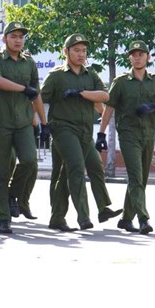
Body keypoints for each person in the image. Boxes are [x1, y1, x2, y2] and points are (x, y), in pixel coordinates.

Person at [41, 34, 121, 231]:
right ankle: (83, 216)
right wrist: (41, 125)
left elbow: (104, 95)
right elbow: (39, 99)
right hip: (63, 129)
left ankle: (99, 209)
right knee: (76, 167)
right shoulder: (56, 75)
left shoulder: (90, 75)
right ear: (66, 51)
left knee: (94, 166)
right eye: (76, 50)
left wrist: (81, 93)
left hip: (85, 131)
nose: (81, 54)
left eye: (84, 50)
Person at [98, 41, 155, 235]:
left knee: (141, 179)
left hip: (149, 134)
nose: (138, 57)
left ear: (148, 57)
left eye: (141, 54)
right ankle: (143, 218)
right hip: (128, 134)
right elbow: (109, 108)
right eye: (134, 54)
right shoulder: (121, 82)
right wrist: (101, 133)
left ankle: (125, 219)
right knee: (135, 177)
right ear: (129, 58)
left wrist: (153, 106)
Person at [0, 22, 49, 234]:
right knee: (0, 172)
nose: (18, 40)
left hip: (22, 122)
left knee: (30, 161)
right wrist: (23, 89)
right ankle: (3, 218)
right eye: (13, 36)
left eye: (21, 36)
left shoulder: (28, 62)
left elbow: (36, 94)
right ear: (4, 39)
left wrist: (44, 123)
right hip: (0, 122)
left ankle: (13, 195)